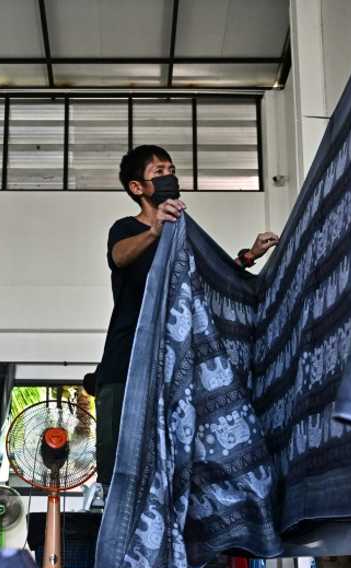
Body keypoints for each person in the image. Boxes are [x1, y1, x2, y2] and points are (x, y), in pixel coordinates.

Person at [94, 145, 279, 492]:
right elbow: (118, 257)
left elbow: (209, 280)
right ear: (137, 188)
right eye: (159, 172)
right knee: (118, 459)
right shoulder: (126, 229)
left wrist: (249, 256)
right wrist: (154, 231)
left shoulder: (181, 235)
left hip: (172, 365)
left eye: (171, 170)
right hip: (126, 362)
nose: (169, 177)